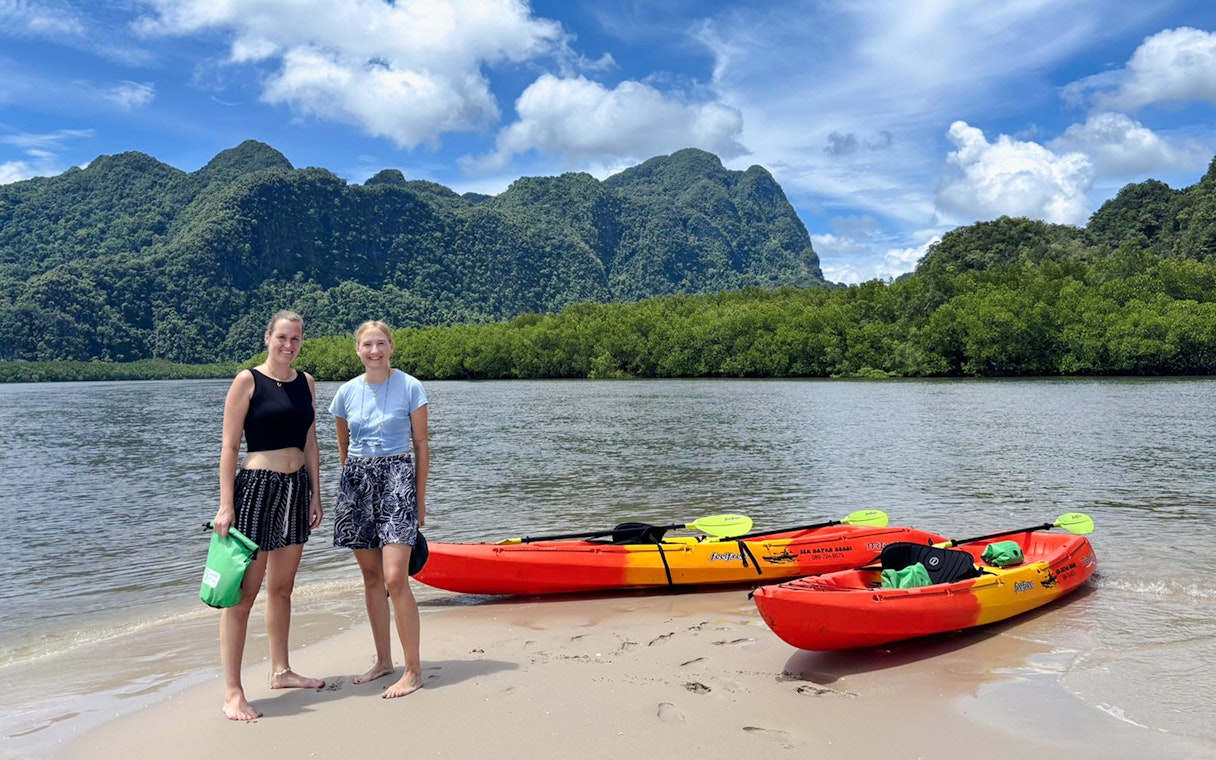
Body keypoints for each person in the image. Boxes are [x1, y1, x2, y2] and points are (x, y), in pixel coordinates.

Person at [213, 310, 325, 721]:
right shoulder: (247, 380)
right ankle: (233, 692)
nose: (288, 346)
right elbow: (228, 448)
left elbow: (311, 442)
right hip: (258, 488)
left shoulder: (306, 383)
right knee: (244, 594)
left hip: (296, 490)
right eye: (282, 337)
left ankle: (281, 671)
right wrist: (227, 504)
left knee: (283, 587)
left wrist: (315, 492)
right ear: (267, 338)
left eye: (295, 339)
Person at [329, 320, 429, 698]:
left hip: (398, 478)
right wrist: (352, 488)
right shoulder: (345, 394)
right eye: (368, 345)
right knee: (371, 578)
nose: (375, 351)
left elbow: (421, 445)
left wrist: (418, 498)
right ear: (357, 350)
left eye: (381, 344)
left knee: (394, 578)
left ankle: (413, 670)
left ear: (391, 347)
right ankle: (384, 661)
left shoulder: (410, 387)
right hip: (357, 482)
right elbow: (344, 445)